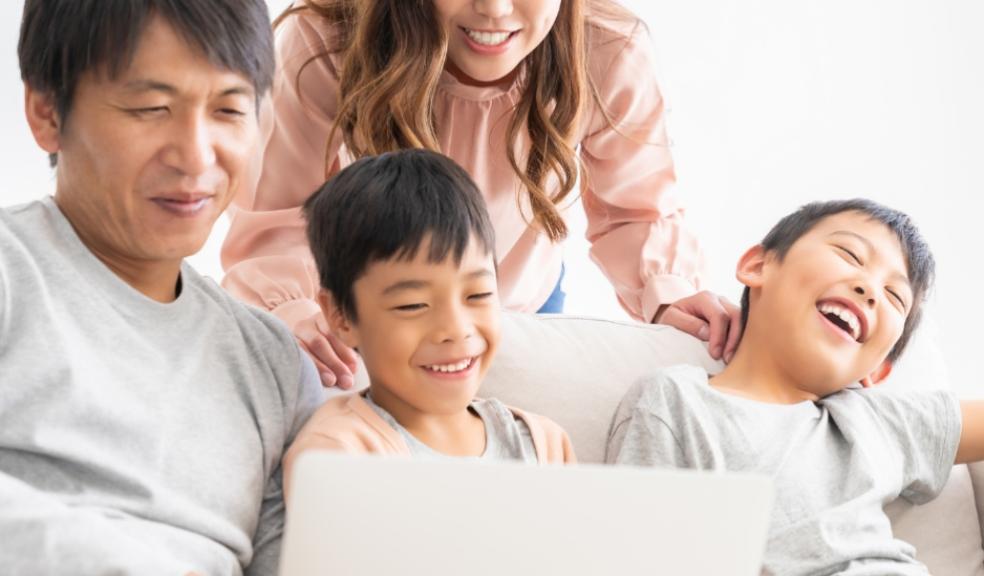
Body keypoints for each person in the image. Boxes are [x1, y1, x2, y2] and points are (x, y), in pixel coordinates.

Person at [220, 0, 743, 390]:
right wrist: (290, 310)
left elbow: (635, 208)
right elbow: (278, 213)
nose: (494, 9)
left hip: (522, 300)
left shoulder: (607, 47)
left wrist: (668, 291)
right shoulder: (329, 36)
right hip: (383, 306)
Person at [1, 1, 326, 574]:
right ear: (47, 111)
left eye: (229, 109)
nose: (196, 156)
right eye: (151, 108)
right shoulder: (12, 272)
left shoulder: (275, 365)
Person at [606, 199, 984, 575]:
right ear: (758, 266)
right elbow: (639, 554)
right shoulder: (679, 399)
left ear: (879, 369)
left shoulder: (876, 420)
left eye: (895, 297)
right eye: (850, 255)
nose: (870, 289)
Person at [283, 149, 575, 495]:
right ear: (341, 316)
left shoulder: (544, 444)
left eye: (478, 295)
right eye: (413, 305)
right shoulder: (339, 452)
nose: (456, 329)